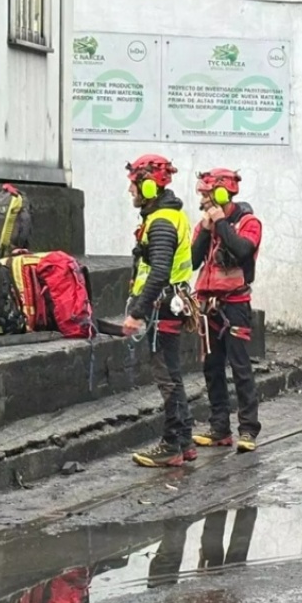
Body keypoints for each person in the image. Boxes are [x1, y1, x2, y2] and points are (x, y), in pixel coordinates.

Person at [122, 154, 197, 468]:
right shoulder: (164, 216)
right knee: (173, 376)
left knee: (167, 378)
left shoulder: (162, 220)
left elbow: (160, 270)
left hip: (162, 307)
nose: (130, 191)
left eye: (134, 185)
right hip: (168, 304)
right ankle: (185, 441)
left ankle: (171, 446)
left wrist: (137, 312)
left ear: (149, 186)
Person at [189, 169, 263, 454]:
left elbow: (242, 250)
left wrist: (221, 223)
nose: (204, 201)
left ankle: (248, 430)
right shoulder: (204, 225)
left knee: (241, 367)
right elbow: (194, 261)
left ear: (223, 194)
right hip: (208, 306)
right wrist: (207, 231)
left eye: (208, 195)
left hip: (235, 305)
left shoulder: (249, 222)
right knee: (212, 368)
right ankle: (219, 428)